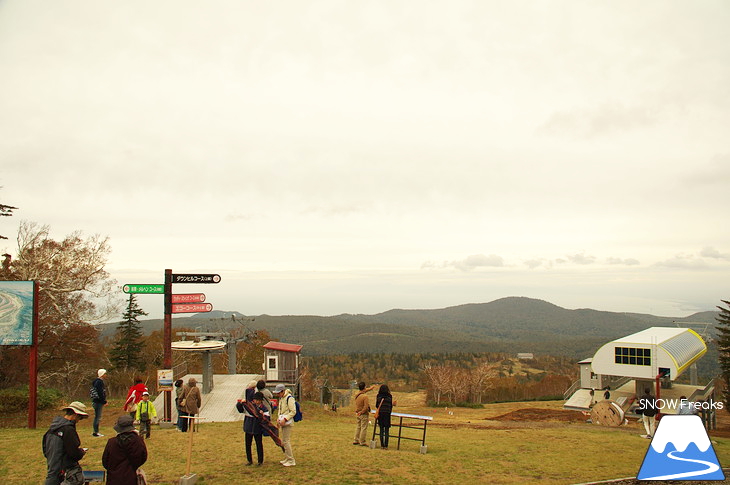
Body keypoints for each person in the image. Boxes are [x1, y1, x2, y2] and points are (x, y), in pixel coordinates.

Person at [43, 401, 88, 485]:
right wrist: (81, 452)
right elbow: (73, 453)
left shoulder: (52, 429)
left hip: (52, 468)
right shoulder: (68, 430)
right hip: (65, 470)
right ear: (75, 415)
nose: (79, 420)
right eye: (80, 417)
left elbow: (45, 450)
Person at [102, 415, 147, 485]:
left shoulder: (111, 442)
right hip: (131, 478)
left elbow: (105, 461)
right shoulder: (138, 441)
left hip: (114, 479)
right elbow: (142, 458)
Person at [273, 383, 296, 466]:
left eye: (279, 393)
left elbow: (293, 411)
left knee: (286, 441)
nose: (278, 395)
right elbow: (280, 410)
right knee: (284, 441)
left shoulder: (289, 398)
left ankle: (291, 460)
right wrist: (278, 419)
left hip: (287, 423)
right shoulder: (282, 398)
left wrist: (285, 419)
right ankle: (287, 458)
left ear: (283, 391)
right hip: (282, 422)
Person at [353, 381, 375, 446]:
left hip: (357, 413)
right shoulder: (365, 397)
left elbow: (364, 390)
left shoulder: (357, 394)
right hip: (363, 414)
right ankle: (362, 441)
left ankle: (356, 440)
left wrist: (370, 388)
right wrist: (362, 412)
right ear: (364, 387)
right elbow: (366, 407)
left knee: (358, 427)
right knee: (364, 428)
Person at [375, 384, 397, 449]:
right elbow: (390, 406)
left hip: (381, 414)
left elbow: (377, 405)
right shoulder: (389, 396)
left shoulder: (378, 396)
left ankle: (382, 445)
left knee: (381, 429)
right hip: (387, 414)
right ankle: (386, 446)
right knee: (387, 430)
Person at [91, 369, 108, 437]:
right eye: (105, 374)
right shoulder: (99, 382)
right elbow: (100, 393)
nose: (106, 375)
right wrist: (104, 401)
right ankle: (96, 432)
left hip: (95, 401)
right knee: (98, 417)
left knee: (97, 416)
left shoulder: (95, 381)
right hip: (98, 402)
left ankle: (96, 431)